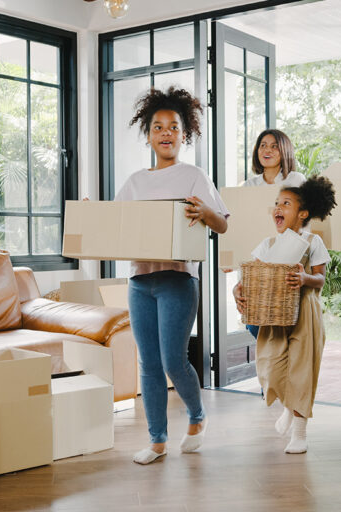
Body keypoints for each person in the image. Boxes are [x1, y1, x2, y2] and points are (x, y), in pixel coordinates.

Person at [115, 87, 229, 465]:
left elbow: (221, 225)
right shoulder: (134, 182)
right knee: (147, 363)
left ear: (185, 134)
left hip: (178, 280)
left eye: (174, 127)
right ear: (148, 134)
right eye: (158, 127)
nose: (166, 133)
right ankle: (157, 440)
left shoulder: (194, 175)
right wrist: (92, 215)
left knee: (173, 361)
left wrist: (205, 213)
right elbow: (114, 226)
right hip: (139, 282)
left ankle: (197, 415)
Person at [233, 176, 337, 454]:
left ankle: (300, 432)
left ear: (303, 213)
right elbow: (250, 275)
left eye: (286, 204)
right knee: (270, 365)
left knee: (302, 370)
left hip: (305, 312)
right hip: (273, 315)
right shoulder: (267, 244)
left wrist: (304, 278)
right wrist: (237, 288)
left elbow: (321, 280)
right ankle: (289, 408)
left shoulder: (312, 241)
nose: (277, 208)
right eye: (276, 204)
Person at [241, 129, 306, 339]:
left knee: (283, 321)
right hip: (260, 263)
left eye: (274, 146)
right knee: (254, 322)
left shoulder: (296, 179)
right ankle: (269, 368)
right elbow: (242, 225)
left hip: (287, 259)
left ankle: (279, 368)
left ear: (284, 150)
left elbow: (306, 220)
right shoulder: (249, 185)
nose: (267, 150)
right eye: (262, 145)